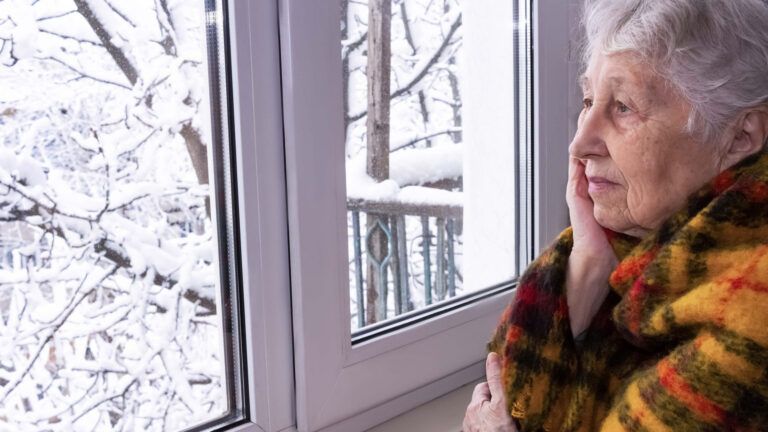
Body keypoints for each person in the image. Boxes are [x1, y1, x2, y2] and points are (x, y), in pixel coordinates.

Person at [463, 0, 768, 430]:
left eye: (623, 106)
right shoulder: (639, 246)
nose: (580, 141)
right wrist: (586, 265)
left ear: (740, 136)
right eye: (588, 100)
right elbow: (509, 402)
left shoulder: (750, 314)